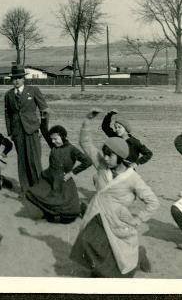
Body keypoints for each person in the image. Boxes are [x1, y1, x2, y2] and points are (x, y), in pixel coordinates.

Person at [70, 109, 159, 278]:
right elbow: (85, 143)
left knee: (119, 258)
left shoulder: (133, 178)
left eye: (109, 155)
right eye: (104, 154)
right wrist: (87, 120)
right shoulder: (102, 165)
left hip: (118, 221)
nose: (105, 157)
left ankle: (139, 254)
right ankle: (99, 270)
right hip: (97, 215)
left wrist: (138, 218)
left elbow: (153, 202)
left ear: (119, 157)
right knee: (89, 241)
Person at [25, 111, 93, 223]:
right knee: (32, 194)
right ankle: (49, 213)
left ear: (63, 136)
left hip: (63, 181)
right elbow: (44, 130)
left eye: (56, 139)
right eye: (52, 139)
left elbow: (88, 161)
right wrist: (44, 118)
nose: (53, 141)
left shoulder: (72, 149)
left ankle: (80, 208)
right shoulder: (53, 145)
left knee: (68, 214)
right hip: (48, 178)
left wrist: (72, 173)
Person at [4, 63, 48, 193]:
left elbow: (44, 110)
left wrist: (42, 128)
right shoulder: (9, 95)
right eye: (14, 78)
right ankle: (26, 190)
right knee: (22, 161)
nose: (16, 81)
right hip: (17, 132)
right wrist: (10, 132)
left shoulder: (33, 91)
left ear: (24, 78)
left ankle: (39, 190)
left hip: (32, 130)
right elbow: (7, 114)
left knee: (34, 160)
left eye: (18, 78)